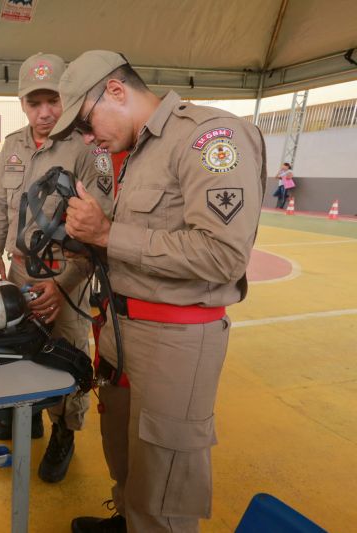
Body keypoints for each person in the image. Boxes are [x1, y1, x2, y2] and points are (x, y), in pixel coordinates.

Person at [53, 50, 266, 532]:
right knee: (126, 453)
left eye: (86, 123)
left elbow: (223, 255)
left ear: (115, 90)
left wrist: (107, 233)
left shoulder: (209, 138)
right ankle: (128, 518)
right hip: (122, 329)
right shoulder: (133, 151)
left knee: (165, 480)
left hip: (176, 341)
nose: (88, 139)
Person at [0, 52, 114, 483]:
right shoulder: (12, 146)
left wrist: (64, 285)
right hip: (18, 270)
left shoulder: (86, 149)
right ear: (22, 104)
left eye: (53, 100)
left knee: (68, 355)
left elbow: (97, 228)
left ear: (67, 99)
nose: (44, 112)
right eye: (34, 102)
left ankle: (64, 431)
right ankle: (31, 417)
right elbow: (0, 204)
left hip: (65, 276)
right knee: (23, 345)